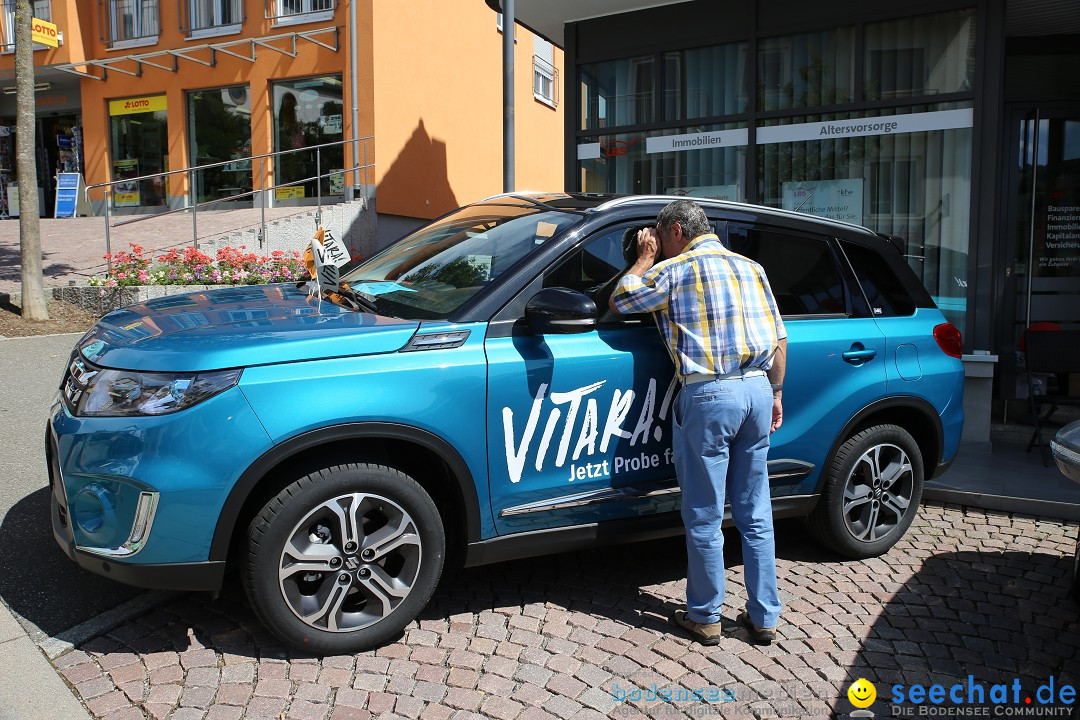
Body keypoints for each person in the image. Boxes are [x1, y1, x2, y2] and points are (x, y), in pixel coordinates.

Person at [609, 199, 788, 646]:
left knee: (705, 513)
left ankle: (706, 616)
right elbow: (780, 340)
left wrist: (643, 258)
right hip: (758, 389)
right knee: (755, 511)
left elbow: (621, 299)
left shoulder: (674, 271)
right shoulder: (752, 268)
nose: (660, 246)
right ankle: (765, 617)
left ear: (674, 231)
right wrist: (777, 393)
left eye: (659, 238)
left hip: (710, 393)